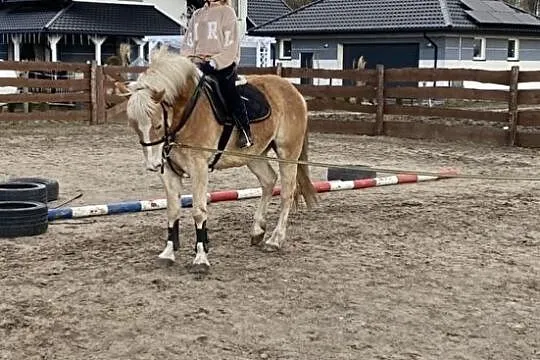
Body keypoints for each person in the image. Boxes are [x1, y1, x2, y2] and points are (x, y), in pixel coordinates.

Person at [180, 0, 253, 148]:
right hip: (197, 63)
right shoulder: (197, 14)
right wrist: (188, 60)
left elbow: (230, 45)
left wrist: (214, 62)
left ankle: (244, 130)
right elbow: (188, 43)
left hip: (222, 64)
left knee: (229, 91)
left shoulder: (227, 12)